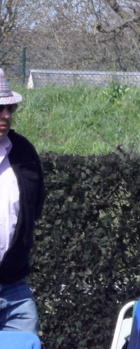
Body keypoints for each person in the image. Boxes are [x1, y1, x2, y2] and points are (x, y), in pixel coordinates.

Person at [0, 68, 44, 334]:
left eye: (10, 108)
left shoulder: (23, 150)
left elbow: (34, 206)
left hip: (14, 285)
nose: (6, 115)